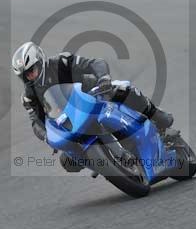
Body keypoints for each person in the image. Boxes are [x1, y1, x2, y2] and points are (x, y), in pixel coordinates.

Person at [12, 42, 173, 172]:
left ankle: (155, 114)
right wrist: (46, 136)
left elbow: (95, 63)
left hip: (92, 94)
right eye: (25, 75)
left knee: (123, 90)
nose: (30, 76)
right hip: (68, 120)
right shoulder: (29, 96)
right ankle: (103, 164)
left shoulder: (61, 63)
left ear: (41, 61)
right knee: (67, 161)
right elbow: (36, 121)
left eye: (32, 70)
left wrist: (103, 78)